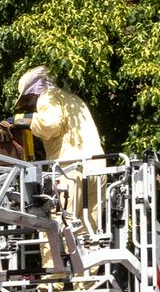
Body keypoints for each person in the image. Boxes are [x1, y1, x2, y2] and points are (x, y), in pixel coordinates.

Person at [15, 65, 102, 235]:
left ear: (33, 92)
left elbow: (51, 125)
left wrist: (18, 120)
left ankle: (51, 255)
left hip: (70, 167)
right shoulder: (75, 100)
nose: (30, 107)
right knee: (87, 232)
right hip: (97, 168)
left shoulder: (47, 96)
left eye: (28, 100)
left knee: (56, 225)